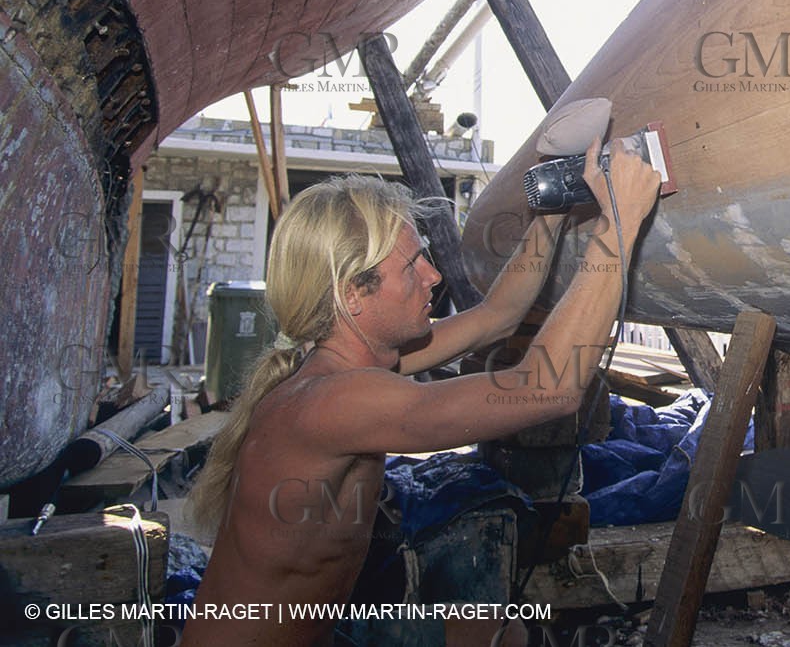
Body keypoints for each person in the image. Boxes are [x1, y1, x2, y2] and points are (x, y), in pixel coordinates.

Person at [183, 137, 660, 647]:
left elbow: (496, 317)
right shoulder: (334, 403)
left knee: (497, 632)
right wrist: (619, 226)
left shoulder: (345, 362)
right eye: (411, 266)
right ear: (352, 294)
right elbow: (550, 387)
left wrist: (550, 206)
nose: (433, 276)